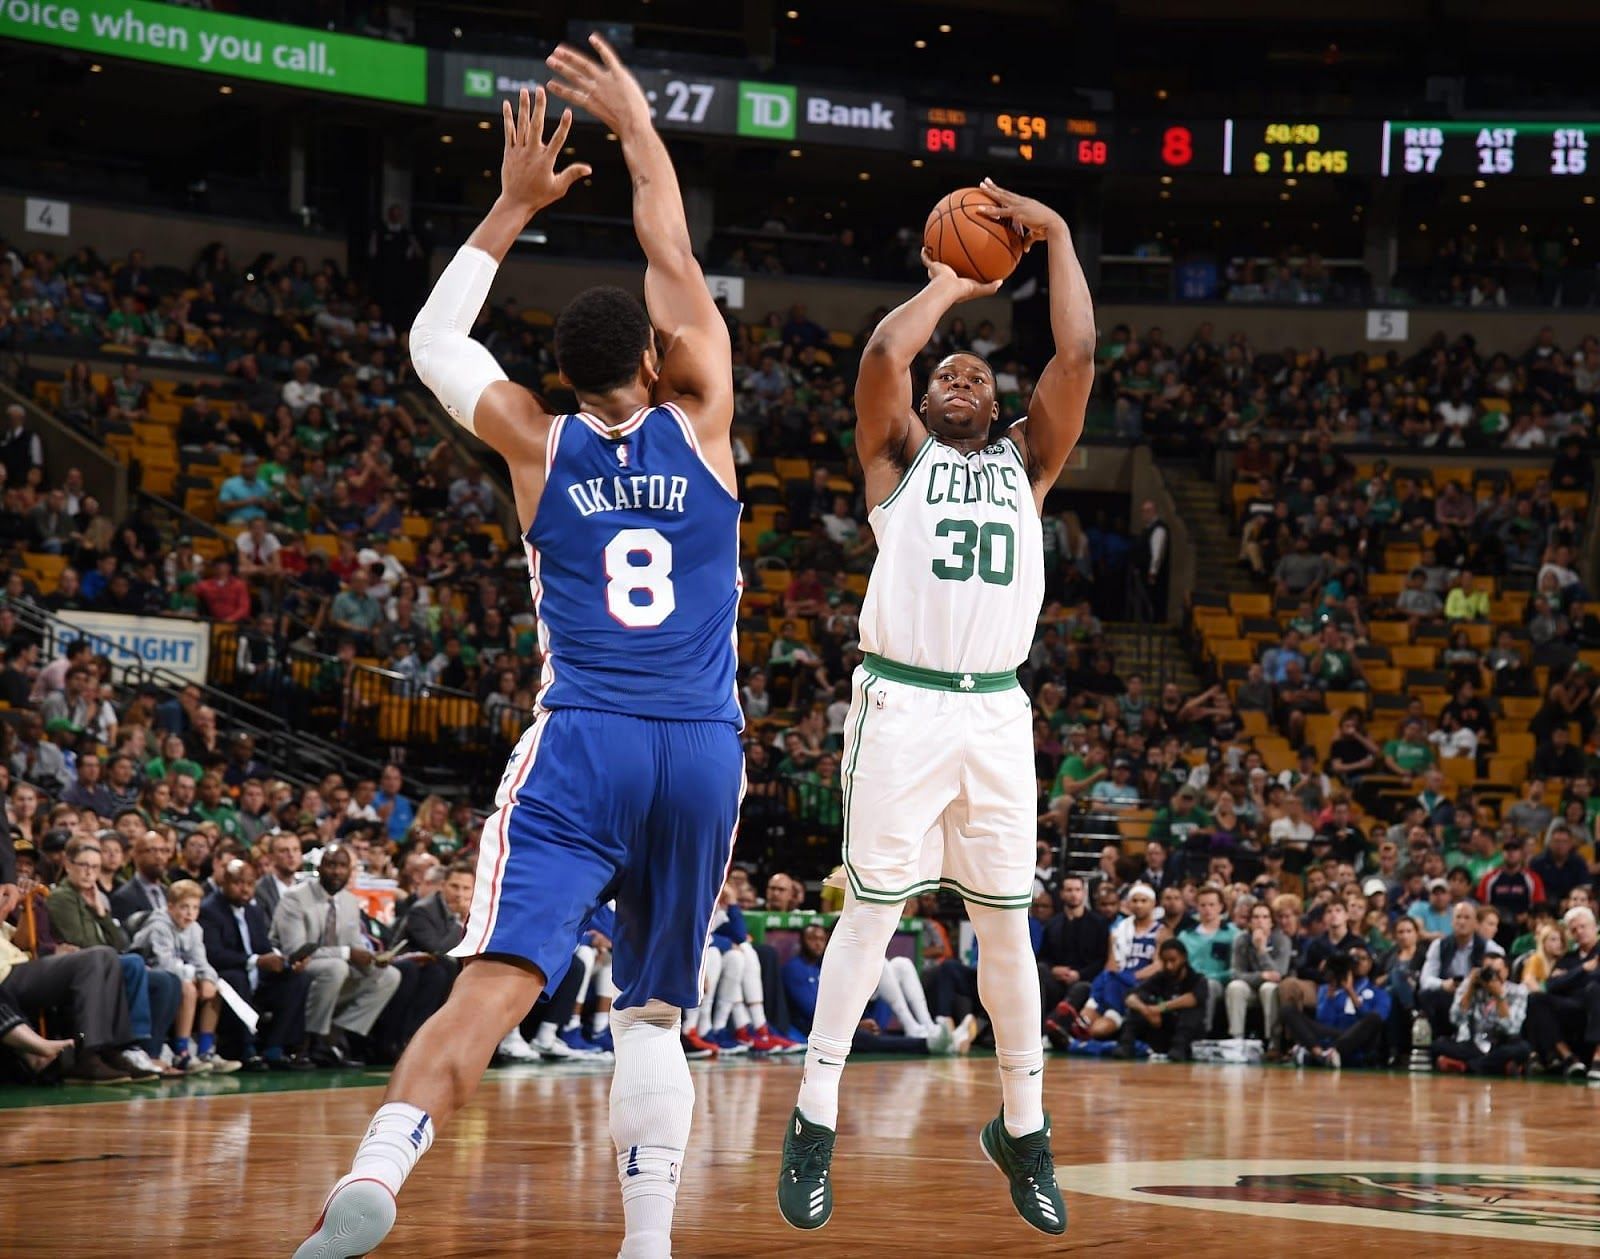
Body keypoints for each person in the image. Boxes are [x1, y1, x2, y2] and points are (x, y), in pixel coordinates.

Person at [298, 49, 745, 1259]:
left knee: (491, 986)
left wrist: (511, 205)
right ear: (656, 363)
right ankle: (645, 1244)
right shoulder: (705, 423)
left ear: (561, 376)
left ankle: (380, 1169)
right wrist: (642, 128)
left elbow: (435, 336)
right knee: (652, 1016)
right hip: (702, 750)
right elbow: (671, 251)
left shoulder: (533, 443)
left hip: (583, 743)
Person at [777, 177, 1093, 1239]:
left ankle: (1026, 1127)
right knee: (872, 912)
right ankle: (813, 1117)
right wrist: (949, 288)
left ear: (996, 408)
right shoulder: (895, 458)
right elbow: (879, 362)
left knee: (1007, 929)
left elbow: (1076, 358)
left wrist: (1052, 239)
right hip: (903, 704)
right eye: (944, 373)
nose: (956, 376)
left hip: (997, 715)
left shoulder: (1026, 462)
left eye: (974, 374)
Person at [130, 879, 240, 1073]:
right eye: (184, 907)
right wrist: (193, 977)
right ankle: (182, 1053)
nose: (190, 913)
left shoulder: (195, 929)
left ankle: (205, 1051)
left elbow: (201, 960)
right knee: (188, 988)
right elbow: (163, 963)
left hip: (180, 973)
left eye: (195, 908)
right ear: (170, 907)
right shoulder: (159, 926)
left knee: (214, 987)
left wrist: (207, 978)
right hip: (151, 974)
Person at [1283, 944, 1391, 1068]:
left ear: (1370, 963)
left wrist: (1351, 992)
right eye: (1353, 958)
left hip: (1355, 1039)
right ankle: (1318, 1053)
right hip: (1333, 1035)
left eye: (1362, 958)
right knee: (1288, 1010)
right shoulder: (1328, 988)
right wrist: (1330, 995)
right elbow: (1324, 1021)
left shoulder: (1379, 993)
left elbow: (1376, 1021)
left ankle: (1332, 1053)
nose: (1357, 962)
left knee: (1373, 1017)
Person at [1429, 952, 1531, 1075]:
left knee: (1523, 1049)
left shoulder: (1518, 991)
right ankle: (1497, 1066)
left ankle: (1467, 1067)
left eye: (1497, 971)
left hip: (1500, 1043)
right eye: (1488, 971)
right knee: (1438, 1045)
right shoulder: (1470, 986)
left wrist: (1499, 996)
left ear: (1506, 971)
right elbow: (1455, 1019)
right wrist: (1470, 988)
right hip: (1471, 1044)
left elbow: (1511, 1029)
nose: (1493, 976)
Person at [1115, 938, 1206, 1060]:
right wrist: (1146, 1010)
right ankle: (1126, 1046)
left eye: (1173, 960)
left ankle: (1179, 1049)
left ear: (1184, 958)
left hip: (1188, 1034)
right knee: (1138, 1005)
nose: (1169, 966)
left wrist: (1160, 1008)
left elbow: (1193, 999)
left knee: (1191, 1011)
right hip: (1163, 1029)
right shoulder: (1160, 977)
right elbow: (1130, 997)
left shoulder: (1197, 979)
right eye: (1165, 961)